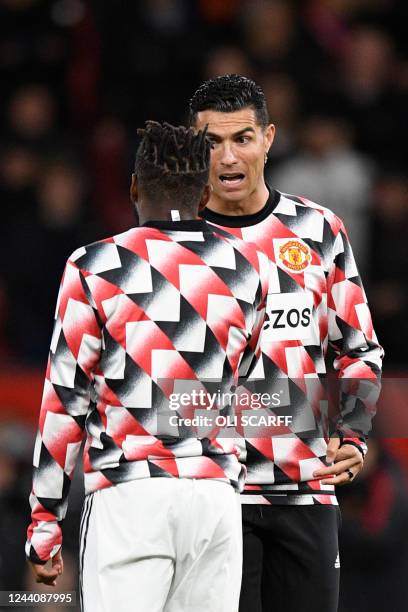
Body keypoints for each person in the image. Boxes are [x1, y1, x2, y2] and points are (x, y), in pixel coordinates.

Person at [26, 121, 271, 612]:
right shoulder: (248, 273)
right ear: (204, 195)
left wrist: (45, 523)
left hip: (131, 496)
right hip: (215, 502)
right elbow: (252, 399)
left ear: (135, 188)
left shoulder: (95, 266)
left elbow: (64, 402)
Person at [189, 74, 384, 612]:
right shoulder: (171, 245)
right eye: (211, 142)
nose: (228, 157)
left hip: (305, 487)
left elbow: (360, 349)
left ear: (269, 138)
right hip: (212, 496)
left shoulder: (318, 230)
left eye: (242, 138)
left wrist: (354, 432)